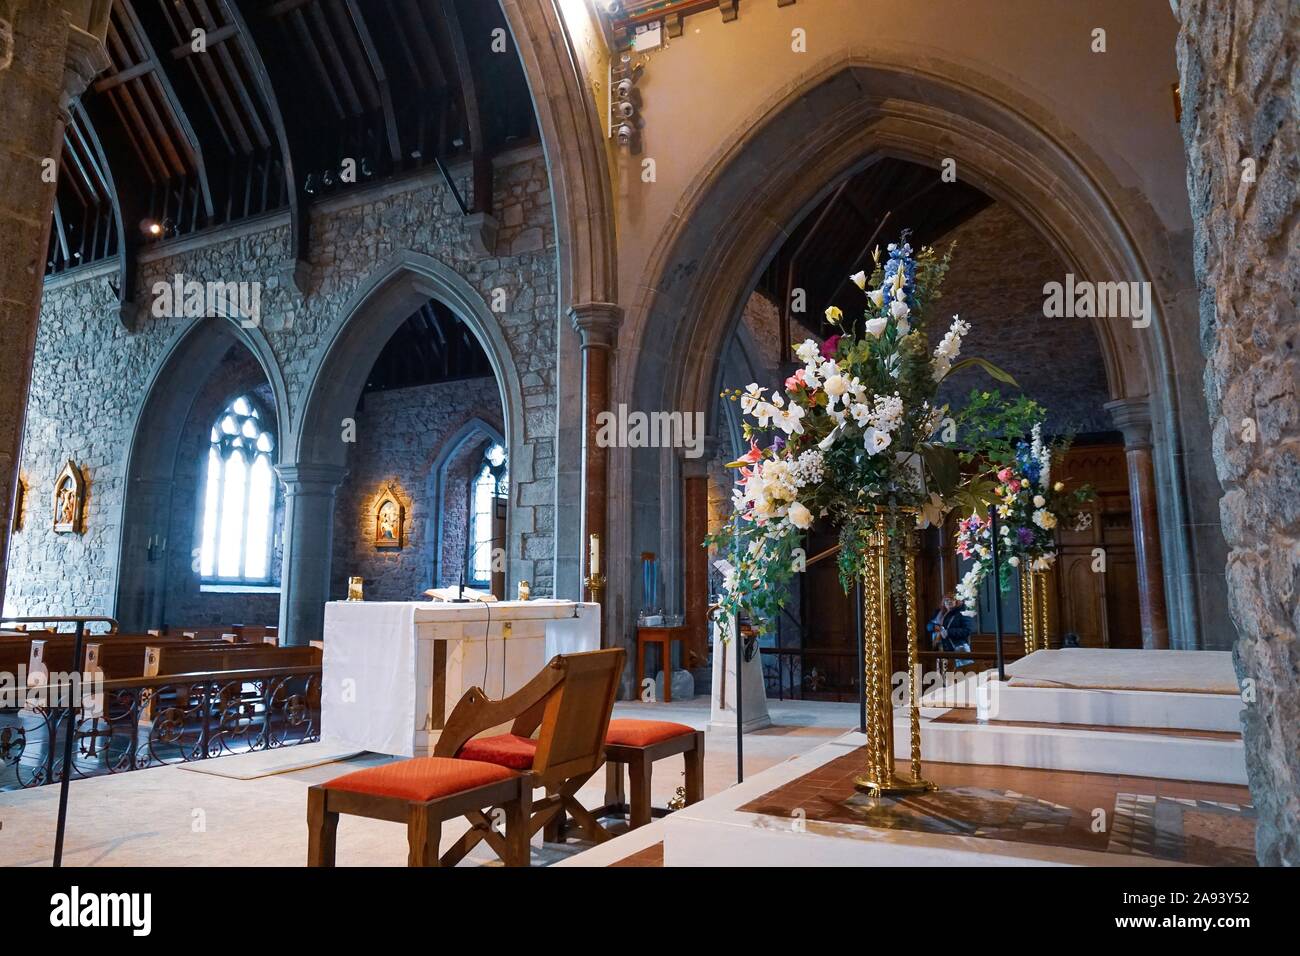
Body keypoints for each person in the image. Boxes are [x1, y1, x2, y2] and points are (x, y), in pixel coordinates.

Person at [927, 593, 973, 669]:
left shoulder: (963, 613)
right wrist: (933, 627)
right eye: (946, 600)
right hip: (941, 648)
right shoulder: (939, 613)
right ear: (943, 603)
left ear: (956, 601)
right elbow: (928, 625)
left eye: (952, 600)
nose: (949, 602)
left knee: (963, 674)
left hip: (959, 648)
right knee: (944, 676)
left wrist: (948, 632)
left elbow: (967, 630)